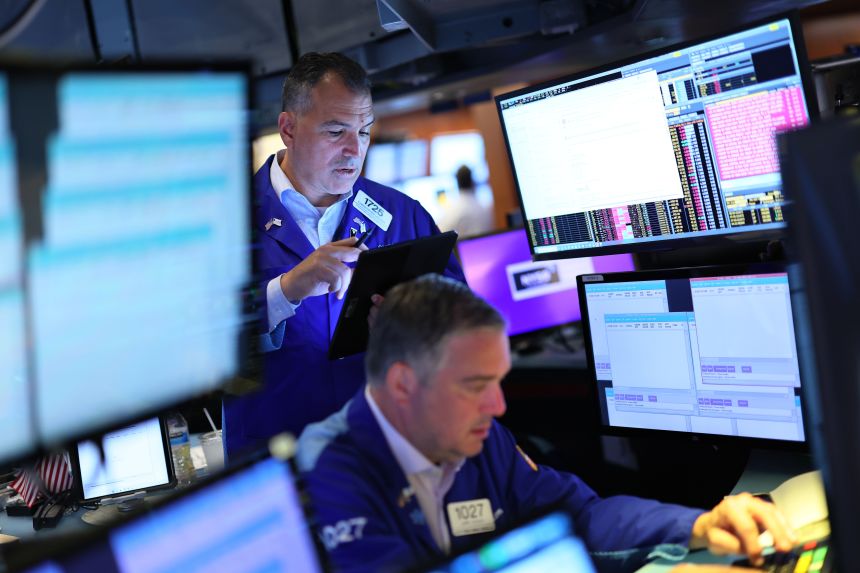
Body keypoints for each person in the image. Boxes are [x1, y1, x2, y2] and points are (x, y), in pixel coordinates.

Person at [296, 275, 796, 573]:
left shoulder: (482, 439)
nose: (496, 406)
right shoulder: (326, 473)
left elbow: (579, 516)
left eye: (499, 381)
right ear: (404, 383)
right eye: (474, 385)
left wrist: (697, 525)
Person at [223, 53, 465, 457]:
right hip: (277, 462)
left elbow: (461, 326)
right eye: (336, 132)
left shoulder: (402, 214)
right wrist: (285, 290)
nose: (355, 150)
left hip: (385, 453)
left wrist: (417, 330)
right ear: (289, 129)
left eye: (365, 132)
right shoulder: (224, 220)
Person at [437, 164, 494, 238]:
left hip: (465, 248)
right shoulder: (484, 207)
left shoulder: (454, 210)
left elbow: (441, 233)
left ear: (457, 183)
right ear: (472, 181)